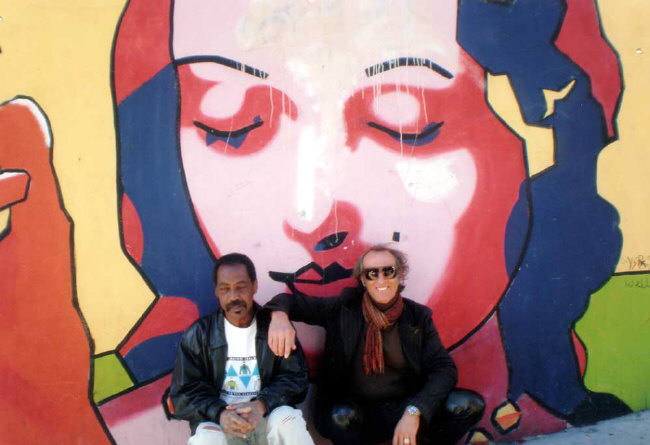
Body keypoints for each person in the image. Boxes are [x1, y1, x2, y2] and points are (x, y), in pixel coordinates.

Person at [266, 245, 484, 445]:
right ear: (363, 280)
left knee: (468, 404)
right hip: (355, 414)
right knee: (342, 416)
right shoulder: (342, 309)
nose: (381, 280)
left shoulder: (417, 316)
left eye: (389, 271)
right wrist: (279, 317)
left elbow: (444, 368)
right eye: (372, 273)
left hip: (405, 408)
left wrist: (416, 410)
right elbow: (288, 301)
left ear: (399, 275)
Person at [169, 253, 314, 445]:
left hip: (266, 418)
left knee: (289, 421)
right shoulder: (199, 334)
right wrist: (220, 413)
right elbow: (182, 394)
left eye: (241, 287)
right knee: (205, 439)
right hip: (221, 424)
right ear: (216, 291)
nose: (234, 296)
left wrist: (261, 405)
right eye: (225, 289)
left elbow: (296, 380)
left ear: (254, 286)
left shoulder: (276, 329)